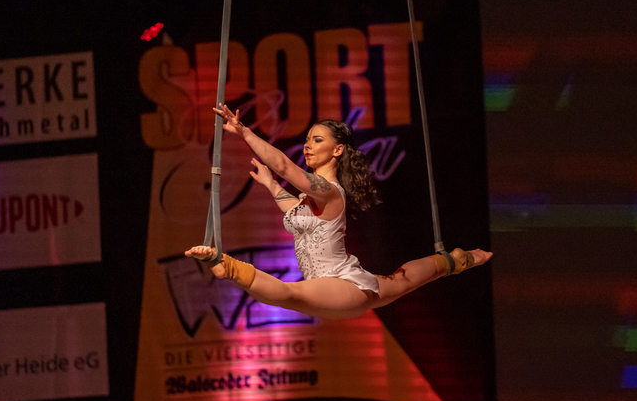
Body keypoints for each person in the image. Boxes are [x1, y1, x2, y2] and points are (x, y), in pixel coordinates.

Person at [185, 103, 492, 320]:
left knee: (290, 294)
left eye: (317, 140)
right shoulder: (312, 196)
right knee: (402, 281)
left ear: (337, 150)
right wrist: (271, 185)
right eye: (307, 140)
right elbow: (296, 211)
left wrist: (245, 132)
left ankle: (224, 265)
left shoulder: (329, 190)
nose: (307, 145)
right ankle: (455, 260)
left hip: (341, 286)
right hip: (334, 286)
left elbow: (284, 166)